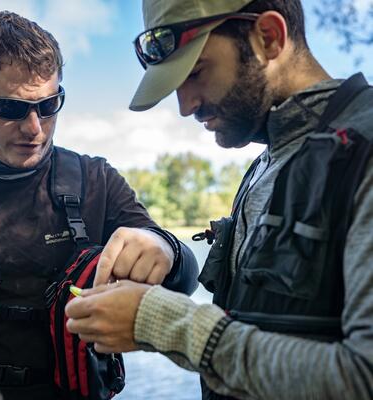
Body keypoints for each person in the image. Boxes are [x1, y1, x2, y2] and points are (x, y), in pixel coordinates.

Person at [0, 11, 199, 399]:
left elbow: (183, 281)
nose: (34, 128)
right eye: (10, 109)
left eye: (49, 105)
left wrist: (168, 250)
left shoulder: (96, 181)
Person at [65, 0, 373, 399]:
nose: (184, 106)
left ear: (269, 37)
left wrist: (166, 323)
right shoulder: (265, 163)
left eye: (195, 73)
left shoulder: (363, 152)